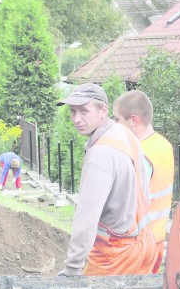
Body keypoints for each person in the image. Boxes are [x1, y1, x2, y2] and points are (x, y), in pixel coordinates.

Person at [57, 83, 157, 276]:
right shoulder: (125, 134)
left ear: (103, 110)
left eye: (84, 111)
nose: (77, 119)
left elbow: (87, 216)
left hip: (116, 253)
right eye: (73, 112)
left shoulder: (100, 154)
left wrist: (72, 267)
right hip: (145, 243)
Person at [113, 90, 174, 273]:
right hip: (157, 238)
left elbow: (129, 203)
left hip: (138, 245)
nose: (114, 125)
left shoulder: (140, 154)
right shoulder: (163, 144)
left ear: (134, 120)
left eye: (117, 119)